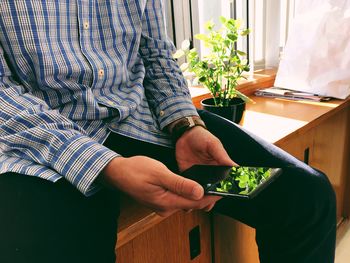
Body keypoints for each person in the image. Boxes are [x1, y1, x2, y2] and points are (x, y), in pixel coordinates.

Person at [0, 1, 336, 263]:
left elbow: (156, 53)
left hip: (142, 119)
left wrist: (186, 124)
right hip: (37, 140)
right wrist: (103, 164)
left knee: (306, 197)